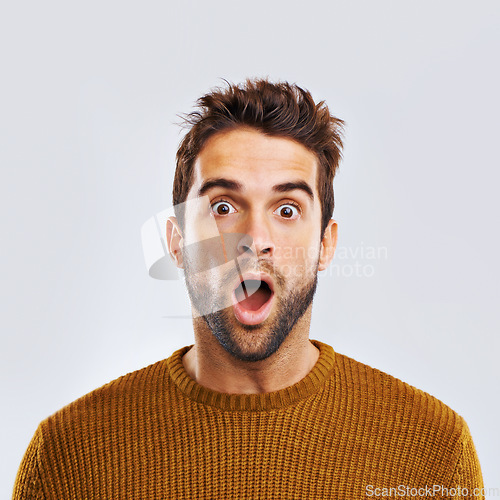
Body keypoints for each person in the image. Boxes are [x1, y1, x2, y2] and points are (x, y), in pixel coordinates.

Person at [13, 79, 484, 499]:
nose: (255, 240)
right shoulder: (68, 457)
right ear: (176, 242)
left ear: (326, 244)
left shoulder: (433, 451)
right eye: (223, 207)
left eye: (286, 210)